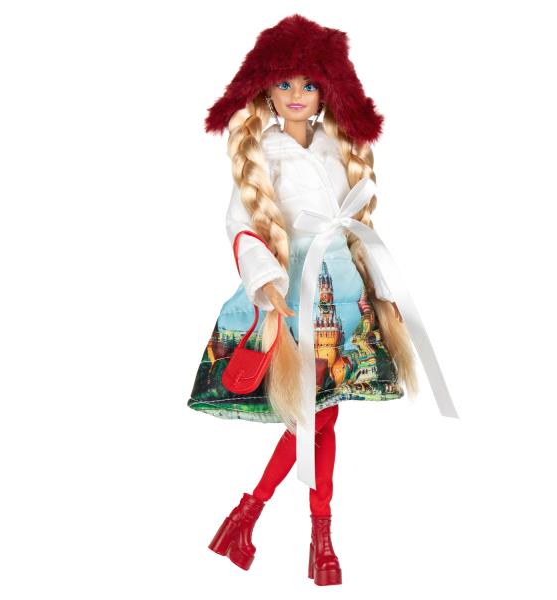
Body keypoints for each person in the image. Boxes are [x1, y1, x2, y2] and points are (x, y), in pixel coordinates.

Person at [187, 14, 458, 586]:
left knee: (321, 415)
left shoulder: (340, 147)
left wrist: (381, 287)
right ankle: (313, 534)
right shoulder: (260, 151)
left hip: (344, 289)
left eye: (308, 84)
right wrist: (264, 278)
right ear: (265, 89)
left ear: (327, 90)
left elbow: (359, 225)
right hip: (294, 289)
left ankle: (253, 519)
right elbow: (240, 223)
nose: (296, 95)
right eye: (284, 83)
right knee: (315, 416)